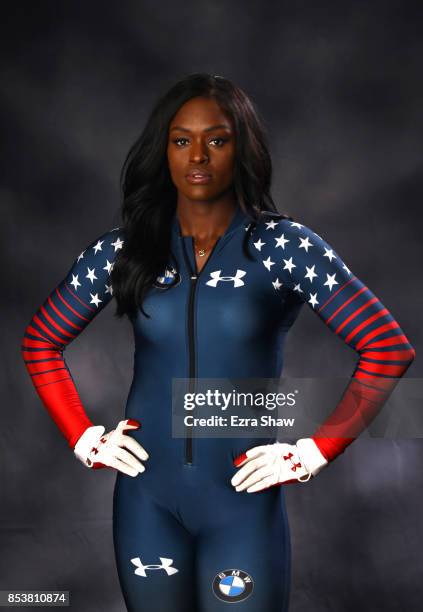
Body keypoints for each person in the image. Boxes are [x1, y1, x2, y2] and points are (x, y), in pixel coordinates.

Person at [21, 73, 416, 612]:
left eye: (218, 139)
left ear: (242, 148)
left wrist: (313, 452)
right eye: (181, 140)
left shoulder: (283, 248)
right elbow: (41, 342)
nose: (198, 156)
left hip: (241, 507)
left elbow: (388, 348)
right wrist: (83, 437)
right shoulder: (126, 251)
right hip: (146, 503)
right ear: (163, 152)